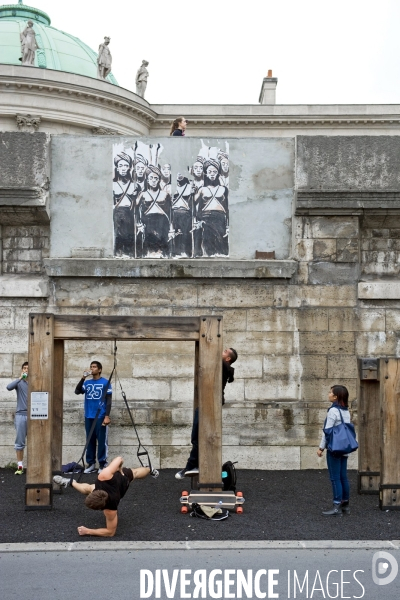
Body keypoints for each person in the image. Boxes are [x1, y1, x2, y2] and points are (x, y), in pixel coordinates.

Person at [53, 456, 159, 537]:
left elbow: (110, 532)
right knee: (90, 488)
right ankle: (71, 482)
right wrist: (119, 469)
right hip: (116, 483)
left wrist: (88, 531)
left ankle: (149, 469)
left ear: (101, 508)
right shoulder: (103, 477)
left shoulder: (110, 509)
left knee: (135, 473)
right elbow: (119, 458)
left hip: (122, 480)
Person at [175, 348, 238, 479]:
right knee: (199, 436)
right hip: (208, 402)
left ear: (228, 359)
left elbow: (210, 353)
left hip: (210, 403)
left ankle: (191, 466)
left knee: (199, 436)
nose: (221, 350)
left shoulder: (223, 365)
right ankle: (195, 465)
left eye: (225, 351)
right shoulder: (222, 366)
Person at [317, 385, 352, 516]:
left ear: (335, 396)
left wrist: (321, 448)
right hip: (344, 447)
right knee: (343, 477)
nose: (328, 394)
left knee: (335, 478)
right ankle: (345, 506)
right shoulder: (345, 411)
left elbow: (327, 432)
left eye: (330, 392)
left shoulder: (333, 411)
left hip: (334, 448)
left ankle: (336, 506)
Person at [75, 361, 112, 473]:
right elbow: (77, 391)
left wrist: (107, 416)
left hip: (100, 415)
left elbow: (109, 400)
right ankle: (90, 464)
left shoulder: (105, 382)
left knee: (101, 440)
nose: (92, 368)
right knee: (89, 440)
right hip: (88, 415)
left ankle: (102, 464)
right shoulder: (87, 383)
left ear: (99, 370)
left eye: (94, 367)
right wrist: (83, 378)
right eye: (91, 366)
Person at [194, 159, 229, 256]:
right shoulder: (202, 189)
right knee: (207, 243)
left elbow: (227, 208)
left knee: (221, 243)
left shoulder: (223, 189)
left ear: (218, 173)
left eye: (214, 172)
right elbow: (193, 204)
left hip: (220, 218)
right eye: (209, 172)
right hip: (206, 219)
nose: (212, 174)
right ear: (206, 173)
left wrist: (228, 225)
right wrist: (197, 220)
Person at [136, 165, 172, 258]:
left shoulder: (165, 195)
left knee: (162, 250)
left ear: (159, 180)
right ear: (147, 180)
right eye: (151, 178)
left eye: (156, 178)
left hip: (162, 223)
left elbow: (170, 213)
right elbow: (135, 209)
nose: (153, 180)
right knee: (149, 251)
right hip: (148, 223)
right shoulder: (142, 194)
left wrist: (171, 228)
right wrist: (138, 224)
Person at [113, 152, 140, 257]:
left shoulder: (134, 185)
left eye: (125, 165)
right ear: (117, 168)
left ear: (129, 167)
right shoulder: (113, 184)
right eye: (120, 165)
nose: (123, 168)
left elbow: (137, 204)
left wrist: (135, 196)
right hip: (118, 212)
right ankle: (118, 253)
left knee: (129, 234)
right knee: (118, 235)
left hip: (130, 212)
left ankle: (129, 253)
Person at [6, 362, 29, 475]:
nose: (26, 370)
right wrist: (20, 378)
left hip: (34, 416)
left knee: (37, 441)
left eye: (28, 369)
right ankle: (20, 466)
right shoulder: (19, 383)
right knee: (19, 442)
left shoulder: (36, 382)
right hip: (21, 415)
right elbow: (8, 387)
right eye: (24, 368)